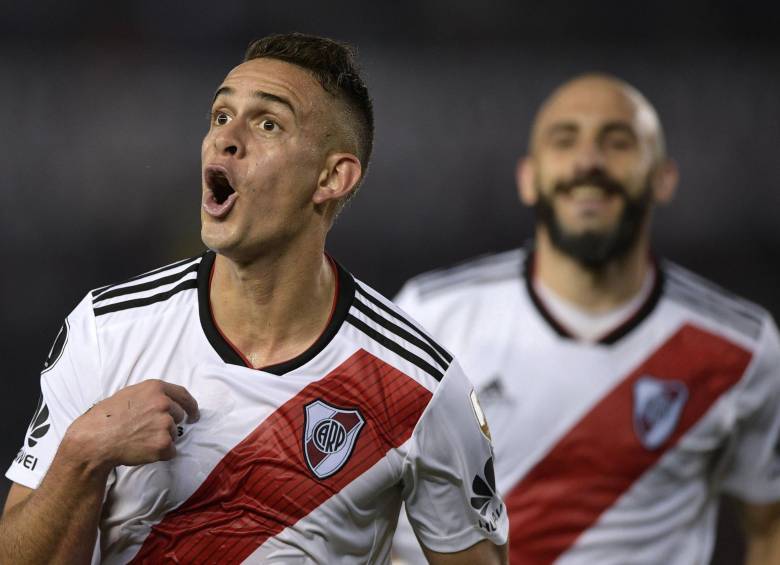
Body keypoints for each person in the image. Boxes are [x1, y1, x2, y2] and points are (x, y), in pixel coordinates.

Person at [0, 33, 508, 564]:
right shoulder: (106, 331)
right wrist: (84, 453)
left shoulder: (418, 386)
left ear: (332, 177)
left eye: (268, 124)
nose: (227, 138)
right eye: (221, 116)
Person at [392, 73, 780, 564]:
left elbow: (770, 525)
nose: (589, 161)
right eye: (565, 140)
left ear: (664, 177)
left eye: (618, 142)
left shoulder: (740, 347)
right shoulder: (430, 316)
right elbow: (358, 502)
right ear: (528, 178)